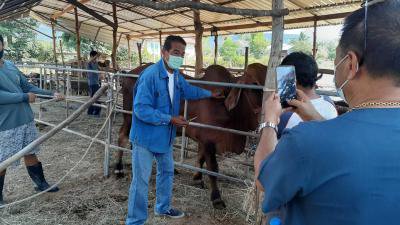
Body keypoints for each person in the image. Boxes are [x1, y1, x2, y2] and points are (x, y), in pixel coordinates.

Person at [255, 1, 400, 225]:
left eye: (337, 62)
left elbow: (264, 180)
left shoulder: (306, 141)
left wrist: (270, 121)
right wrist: (317, 119)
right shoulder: (322, 122)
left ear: (351, 63)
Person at [125, 35, 223, 225]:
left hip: (165, 136)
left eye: (182, 53)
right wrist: (170, 119)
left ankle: (163, 207)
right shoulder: (150, 76)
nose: (179, 56)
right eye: (176, 52)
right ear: (164, 52)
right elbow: (140, 109)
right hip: (145, 138)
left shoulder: (176, 75)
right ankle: (135, 220)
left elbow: (188, 90)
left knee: (167, 172)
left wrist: (209, 94)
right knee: (141, 181)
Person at [0, 35, 64, 205]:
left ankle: (41, 184)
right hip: (5, 123)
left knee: (31, 152)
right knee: (2, 160)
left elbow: (28, 87)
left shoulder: (10, 66)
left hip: (25, 119)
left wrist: (51, 94)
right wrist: (23, 97)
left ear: (2, 45)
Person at [277, 52, 338, 137]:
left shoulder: (287, 113)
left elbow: (271, 148)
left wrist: (268, 120)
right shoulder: (330, 103)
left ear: (290, 80)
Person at [87, 50, 102, 116]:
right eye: (95, 57)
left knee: (95, 98)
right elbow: (90, 60)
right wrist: (96, 56)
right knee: (95, 98)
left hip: (96, 82)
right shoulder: (89, 63)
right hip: (92, 83)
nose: (96, 58)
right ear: (92, 56)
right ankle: (94, 112)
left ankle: (91, 112)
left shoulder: (95, 63)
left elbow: (100, 69)